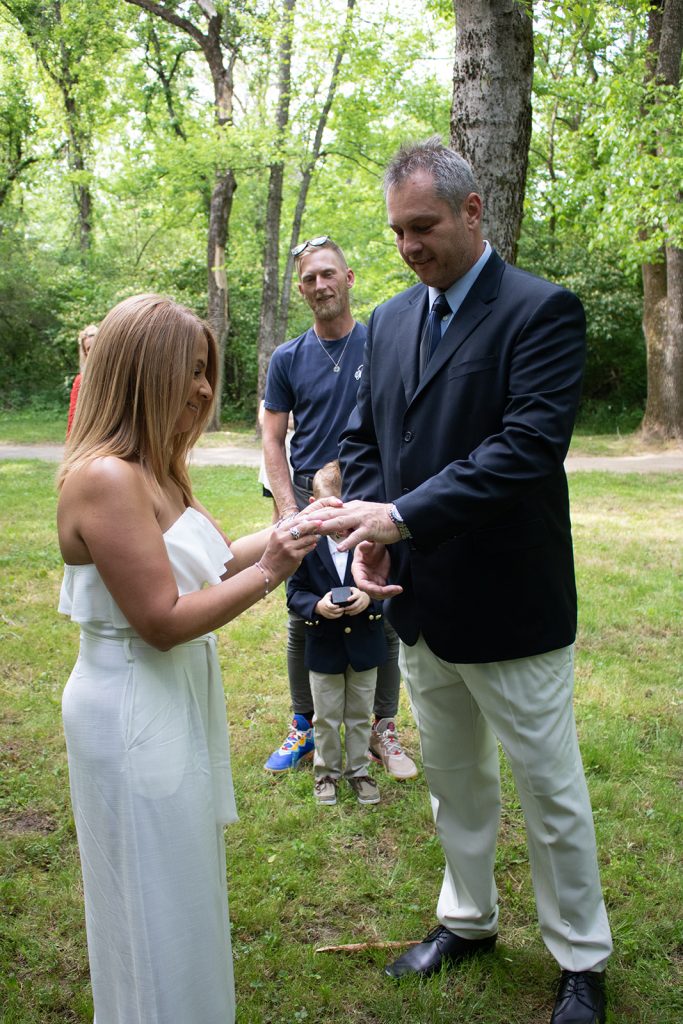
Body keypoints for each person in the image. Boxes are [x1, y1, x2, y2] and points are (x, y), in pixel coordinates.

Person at [310, 138, 612, 1024]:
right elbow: (367, 440)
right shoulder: (392, 320)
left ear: (473, 211)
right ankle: (467, 920)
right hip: (418, 602)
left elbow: (522, 452)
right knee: (453, 779)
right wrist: (370, 523)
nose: (409, 246)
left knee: (547, 790)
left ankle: (581, 958)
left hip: (510, 604)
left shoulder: (541, 311)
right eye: (397, 231)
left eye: (425, 226)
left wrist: (398, 519)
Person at [57, 294, 320, 1024]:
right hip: (132, 703)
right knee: (148, 898)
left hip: (170, 695)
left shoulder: (157, 470)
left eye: (207, 371)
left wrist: (285, 537)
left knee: (180, 887)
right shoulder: (105, 478)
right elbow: (162, 620)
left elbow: (208, 564)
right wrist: (273, 575)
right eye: (189, 371)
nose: (205, 389)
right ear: (141, 370)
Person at [261, 235, 417, 780]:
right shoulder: (287, 358)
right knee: (305, 613)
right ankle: (305, 724)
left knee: (382, 604)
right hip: (307, 501)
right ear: (301, 290)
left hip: (369, 493)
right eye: (309, 279)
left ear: (348, 279)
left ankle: (383, 726)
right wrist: (287, 511)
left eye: (329, 274)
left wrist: (394, 503)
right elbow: (272, 437)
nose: (320, 285)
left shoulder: (383, 344)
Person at [287, 461, 387, 806]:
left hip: (364, 648)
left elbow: (389, 587)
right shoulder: (305, 547)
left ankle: (359, 770)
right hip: (325, 648)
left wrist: (369, 598)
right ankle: (326, 772)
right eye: (332, 511)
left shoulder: (376, 542)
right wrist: (317, 606)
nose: (341, 524)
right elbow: (294, 593)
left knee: (360, 714)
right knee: (326, 716)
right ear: (314, 502)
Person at [66, 323, 98, 435]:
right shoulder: (81, 381)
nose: (94, 351)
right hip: (90, 440)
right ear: (85, 353)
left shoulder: (118, 376)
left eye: (97, 345)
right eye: (89, 348)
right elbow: (73, 419)